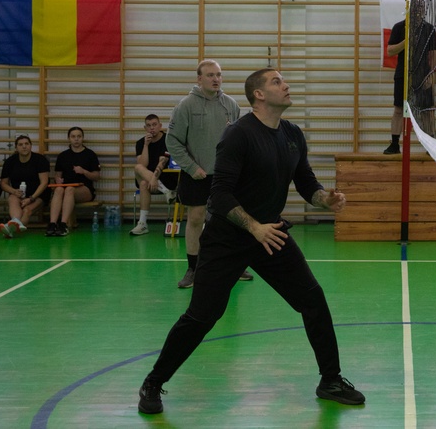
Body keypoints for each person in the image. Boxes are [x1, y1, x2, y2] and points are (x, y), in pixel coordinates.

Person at [137, 68, 365, 414]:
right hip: (228, 237)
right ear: (258, 95)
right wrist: (253, 227)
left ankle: (330, 380)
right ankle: (154, 381)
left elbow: (305, 182)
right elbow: (219, 194)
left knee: (312, 299)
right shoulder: (238, 135)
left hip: (270, 234)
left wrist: (324, 198)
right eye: (276, 81)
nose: (285, 85)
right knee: (203, 316)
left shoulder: (291, 134)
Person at [167, 59, 251, 287]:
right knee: (196, 219)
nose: (216, 79)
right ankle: (193, 268)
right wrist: (192, 167)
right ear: (199, 79)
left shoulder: (231, 105)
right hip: (197, 174)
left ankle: (236, 265)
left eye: (219, 75)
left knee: (233, 220)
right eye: (210, 75)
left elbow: (237, 140)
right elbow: (172, 141)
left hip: (227, 175)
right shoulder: (185, 106)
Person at [384, 13, 436, 154]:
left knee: (427, 111)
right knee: (399, 110)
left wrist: (431, 75)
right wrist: (407, 40)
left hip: (422, 76)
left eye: (420, 8)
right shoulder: (399, 27)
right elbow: (390, 51)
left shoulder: (429, 29)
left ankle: (431, 145)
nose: (418, 11)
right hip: (403, 74)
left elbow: (434, 55)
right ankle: (395, 144)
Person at [46, 126, 101, 237]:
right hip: (66, 187)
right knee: (59, 190)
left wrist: (84, 171)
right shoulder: (63, 156)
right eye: (73, 136)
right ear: (69, 139)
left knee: (69, 190)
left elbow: (96, 176)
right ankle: (52, 224)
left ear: (82, 138)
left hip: (85, 189)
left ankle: (63, 224)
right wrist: (58, 179)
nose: (76, 139)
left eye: (79, 136)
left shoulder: (90, 154)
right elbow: (58, 175)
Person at [129, 114, 178, 236]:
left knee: (144, 182)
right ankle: (143, 223)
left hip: (166, 178)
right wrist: (146, 145)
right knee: (141, 174)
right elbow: (142, 164)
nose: (152, 128)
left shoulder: (167, 140)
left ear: (160, 126)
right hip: (148, 179)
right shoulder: (141, 143)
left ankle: (143, 223)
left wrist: (154, 178)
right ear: (145, 128)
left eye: (155, 125)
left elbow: (162, 162)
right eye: (149, 126)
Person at [0, 135, 51, 238]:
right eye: (20, 144)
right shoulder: (10, 162)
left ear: (31, 146)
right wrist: (13, 191)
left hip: (38, 194)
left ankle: (11, 230)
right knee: (12, 198)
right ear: (16, 148)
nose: (24, 146)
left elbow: (44, 183)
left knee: (27, 210)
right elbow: (3, 183)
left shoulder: (40, 160)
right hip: (19, 194)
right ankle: (15, 223)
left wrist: (31, 198)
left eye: (26, 144)